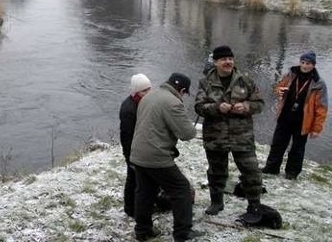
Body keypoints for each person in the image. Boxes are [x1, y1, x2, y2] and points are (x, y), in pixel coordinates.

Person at [195, 45, 264, 216]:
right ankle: (216, 203)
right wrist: (218, 107)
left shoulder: (245, 80)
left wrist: (246, 106)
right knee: (216, 172)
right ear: (216, 62)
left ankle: (254, 205)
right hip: (215, 137)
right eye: (224, 59)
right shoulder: (205, 82)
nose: (228, 62)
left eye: (230, 59)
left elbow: (260, 103)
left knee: (251, 171)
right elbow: (198, 107)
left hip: (242, 137)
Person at [130, 73, 201, 242]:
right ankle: (183, 233)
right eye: (184, 93)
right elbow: (187, 134)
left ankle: (143, 230)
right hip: (157, 156)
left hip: (138, 153)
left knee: (145, 192)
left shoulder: (149, 96)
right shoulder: (173, 102)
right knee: (181, 189)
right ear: (182, 90)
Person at [262, 51, 328, 180]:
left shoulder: (319, 83)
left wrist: (316, 128)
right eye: (302, 62)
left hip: (303, 121)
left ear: (313, 65)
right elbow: (279, 87)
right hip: (285, 117)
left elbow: (322, 108)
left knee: (297, 149)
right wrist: (279, 91)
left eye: (307, 63)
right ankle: (271, 168)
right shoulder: (291, 74)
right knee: (277, 144)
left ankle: (292, 173)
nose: (304, 66)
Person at [119, 73, 153, 218]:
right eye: (144, 91)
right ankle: (130, 208)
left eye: (149, 89)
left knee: (138, 179)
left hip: (141, 148)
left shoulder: (141, 103)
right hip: (133, 151)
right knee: (133, 178)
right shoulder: (129, 109)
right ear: (136, 92)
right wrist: (129, 157)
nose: (148, 93)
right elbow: (126, 136)